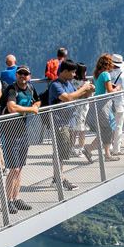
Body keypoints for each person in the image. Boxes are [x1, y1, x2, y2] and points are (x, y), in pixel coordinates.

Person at [0, 66, 40, 214]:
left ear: (30, 76)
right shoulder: (12, 90)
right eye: (20, 73)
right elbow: (11, 107)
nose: (23, 76)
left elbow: (38, 101)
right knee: (14, 169)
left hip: (22, 131)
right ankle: (8, 201)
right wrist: (31, 110)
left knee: (20, 168)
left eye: (26, 74)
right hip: (10, 132)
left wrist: (35, 105)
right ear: (16, 75)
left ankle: (16, 198)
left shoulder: (30, 87)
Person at [48, 60, 91, 189]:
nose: (74, 74)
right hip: (58, 122)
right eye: (72, 72)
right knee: (60, 152)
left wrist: (88, 91)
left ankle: (59, 177)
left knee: (63, 151)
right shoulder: (55, 85)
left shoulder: (68, 83)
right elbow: (67, 98)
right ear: (64, 71)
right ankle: (60, 179)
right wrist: (83, 88)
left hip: (68, 122)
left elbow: (77, 96)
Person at [83, 53, 121, 162]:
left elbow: (100, 88)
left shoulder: (97, 74)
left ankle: (100, 152)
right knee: (109, 128)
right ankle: (103, 153)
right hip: (104, 105)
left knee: (105, 130)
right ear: (108, 64)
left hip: (97, 104)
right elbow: (109, 91)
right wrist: (117, 88)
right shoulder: (106, 74)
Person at [107, 54, 124, 155]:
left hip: (108, 103)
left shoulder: (108, 74)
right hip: (120, 104)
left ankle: (109, 147)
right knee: (118, 127)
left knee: (109, 126)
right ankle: (116, 149)